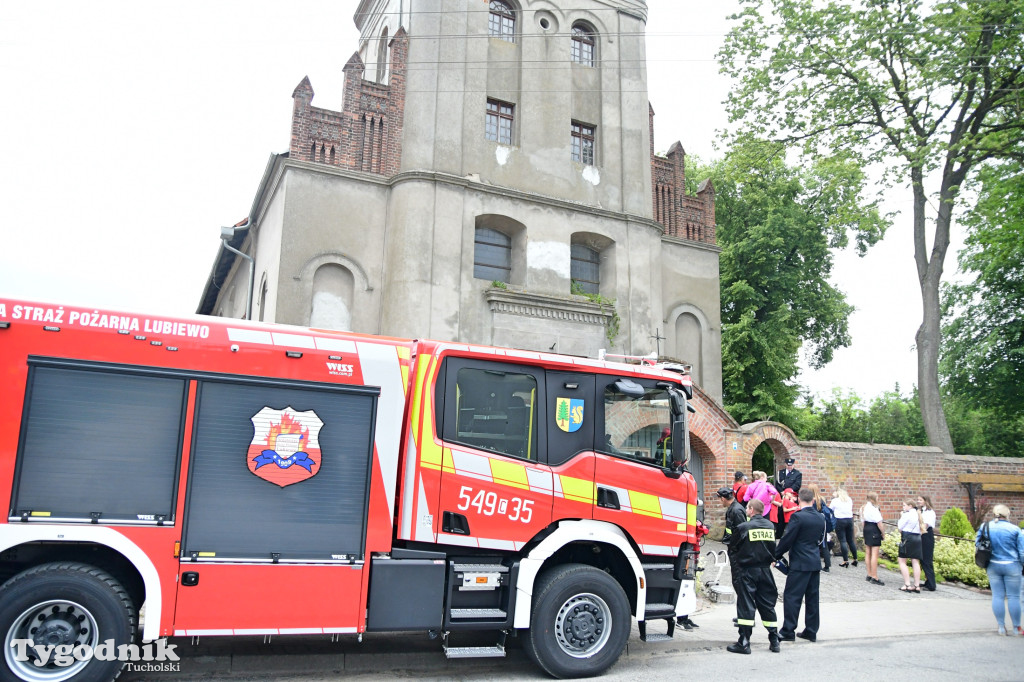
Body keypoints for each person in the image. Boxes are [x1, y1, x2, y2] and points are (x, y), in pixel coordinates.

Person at [726, 499, 781, 654]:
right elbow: (772, 549)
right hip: (765, 571)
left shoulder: (743, 527)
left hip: (747, 571)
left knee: (746, 604)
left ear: (751, 509)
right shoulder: (770, 526)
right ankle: (774, 640)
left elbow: (733, 548)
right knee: (767, 605)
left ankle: (744, 642)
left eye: (747, 508)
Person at [775, 488, 826, 642]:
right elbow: (820, 539)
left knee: (792, 597)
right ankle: (811, 631)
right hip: (814, 561)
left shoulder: (798, 517)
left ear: (798, 500)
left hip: (799, 562)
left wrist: (775, 554)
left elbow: (787, 539)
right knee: (812, 598)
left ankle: (788, 630)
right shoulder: (820, 517)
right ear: (812, 500)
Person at [977, 504, 1024, 636]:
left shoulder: (985, 527)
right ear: (1007, 515)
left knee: (997, 596)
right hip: (1012, 565)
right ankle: (1016, 628)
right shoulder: (1015, 529)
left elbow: (978, 544)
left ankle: (1001, 627)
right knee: (1013, 596)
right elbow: (1022, 552)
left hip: (993, 564)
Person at [719, 486, 748, 609]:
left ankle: (745, 612)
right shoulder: (733, 509)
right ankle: (743, 611)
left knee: (739, 582)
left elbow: (742, 532)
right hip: (734, 549)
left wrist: (736, 548)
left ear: (724, 498)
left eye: (720, 498)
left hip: (738, 552)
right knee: (737, 581)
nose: (720, 501)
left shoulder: (736, 510)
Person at [897, 498, 924, 592]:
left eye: (904, 505)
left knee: (902, 560)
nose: (903, 507)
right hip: (917, 538)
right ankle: (917, 585)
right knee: (915, 561)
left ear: (910, 506)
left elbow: (900, 527)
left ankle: (907, 584)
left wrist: (901, 516)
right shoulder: (918, 514)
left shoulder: (906, 515)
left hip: (907, 537)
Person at [806, 483, 832, 572]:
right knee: (824, 544)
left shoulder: (809, 500)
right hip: (821, 523)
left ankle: (814, 563)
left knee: (812, 543)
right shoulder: (822, 499)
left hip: (811, 523)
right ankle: (827, 565)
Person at [861, 492, 885, 585]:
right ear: (872, 499)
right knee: (874, 554)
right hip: (874, 528)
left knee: (868, 552)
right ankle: (874, 576)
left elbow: (862, 522)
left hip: (866, 528)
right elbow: (879, 523)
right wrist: (883, 533)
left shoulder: (863, 508)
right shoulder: (874, 509)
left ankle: (869, 574)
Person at [831, 488, 857, 568]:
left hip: (840, 520)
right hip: (849, 520)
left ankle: (845, 560)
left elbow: (830, 509)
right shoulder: (849, 499)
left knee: (842, 541)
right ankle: (855, 559)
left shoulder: (835, 501)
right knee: (850, 540)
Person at [917, 494, 937, 590]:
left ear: (925, 500)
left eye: (920, 500)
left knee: (927, 560)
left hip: (926, 535)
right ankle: (928, 581)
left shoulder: (929, 512)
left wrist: (918, 534)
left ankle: (931, 584)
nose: (919, 501)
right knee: (923, 560)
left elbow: (925, 525)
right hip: (923, 535)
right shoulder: (922, 511)